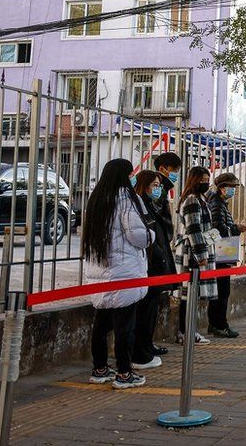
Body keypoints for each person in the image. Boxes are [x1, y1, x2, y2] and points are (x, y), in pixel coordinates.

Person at [84, 159, 153, 389]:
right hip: (124, 273)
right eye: (131, 172)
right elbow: (138, 236)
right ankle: (124, 373)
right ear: (124, 175)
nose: (134, 176)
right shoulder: (125, 199)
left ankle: (100, 368)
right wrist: (151, 235)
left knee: (101, 324)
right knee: (125, 327)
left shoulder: (96, 199)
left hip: (100, 272)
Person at [132, 170, 177, 370]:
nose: (158, 189)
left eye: (159, 185)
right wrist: (158, 252)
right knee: (144, 311)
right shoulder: (138, 205)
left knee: (151, 311)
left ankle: (147, 345)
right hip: (148, 266)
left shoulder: (150, 204)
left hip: (157, 264)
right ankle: (140, 351)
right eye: (155, 185)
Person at [175, 166, 217, 346]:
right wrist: (201, 254)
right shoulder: (192, 200)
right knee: (189, 295)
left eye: (207, 180)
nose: (206, 183)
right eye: (202, 180)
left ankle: (188, 330)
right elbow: (194, 230)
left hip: (198, 250)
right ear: (194, 180)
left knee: (192, 295)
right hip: (193, 253)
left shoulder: (200, 199)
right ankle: (186, 332)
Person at [205, 172, 246, 338]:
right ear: (222, 188)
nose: (233, 191)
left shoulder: (219, 202)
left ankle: (216, 323)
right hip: (220, 253)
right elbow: (218, 228)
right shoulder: (216, 203)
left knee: (221, 291)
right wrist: (236, 229)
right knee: (222, 291)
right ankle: (219, 324)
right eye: (231, 187)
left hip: (220, 253)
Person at [149, 152, 182, 354]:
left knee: (153, 305)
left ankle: (147, 343)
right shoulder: (157, 190)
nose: (175, 175)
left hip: (160, 248)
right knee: (148, 305)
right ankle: (143, 346)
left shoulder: (163, 189)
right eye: (174, 171)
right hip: (155, 251)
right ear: (163, 169)